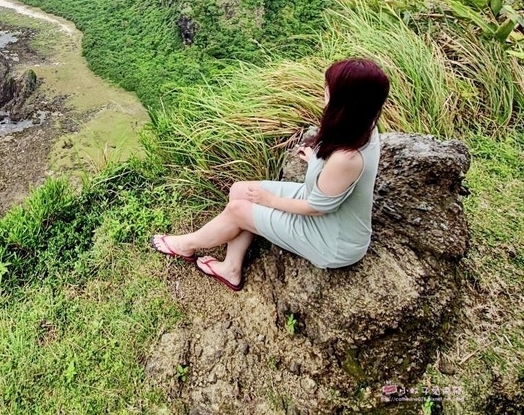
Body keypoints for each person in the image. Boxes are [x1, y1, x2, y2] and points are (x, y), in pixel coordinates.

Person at [151, 58, 390, 291]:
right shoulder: (363, 124)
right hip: (323, 206)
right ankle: (231, 268)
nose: (324, 93)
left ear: (345, 102)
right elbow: (335, 178)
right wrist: (316, 161)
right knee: (239, 191)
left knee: (238, 210)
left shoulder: (346, 158)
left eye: (329, 89)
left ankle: (185, 245)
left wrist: (270, 201)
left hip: (332, 238)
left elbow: (319, 207)